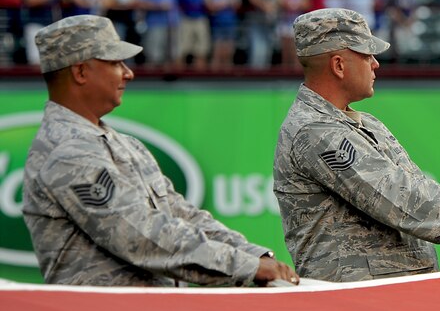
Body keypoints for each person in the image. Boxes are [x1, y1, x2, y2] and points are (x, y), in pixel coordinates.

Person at [22, 15, 298, 287]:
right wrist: (247, 266)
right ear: (80, 72)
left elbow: (181, 214)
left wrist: (253, 254)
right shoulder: (68, 152)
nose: (128, 73)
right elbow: (138, 235)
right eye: (116, 63)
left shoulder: (123, 143)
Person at [274, 8, 440, 282]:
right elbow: (399, 197)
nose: (375, 63)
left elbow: (419, 188)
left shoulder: (365, 123)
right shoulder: (314, 131)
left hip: (391, 297)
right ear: (339, 65)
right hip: (355, 306)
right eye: (366, 55)